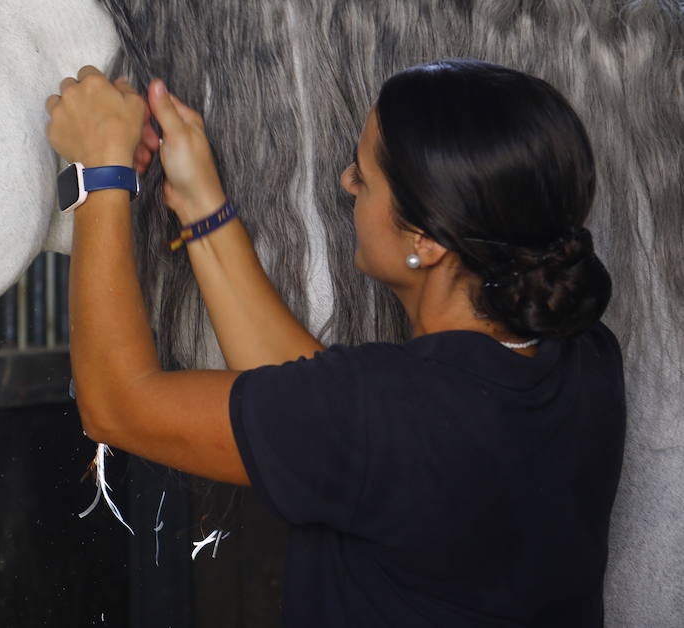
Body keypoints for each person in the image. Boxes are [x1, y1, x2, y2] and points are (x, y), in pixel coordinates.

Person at [44, 58, 625, 627]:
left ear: (425, 240)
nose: (347, 182)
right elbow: (325, 408)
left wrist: (99, 174)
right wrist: (201, 207)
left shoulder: (382, 414)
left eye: (364, 176)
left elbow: (116, 403)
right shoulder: (584, 360)